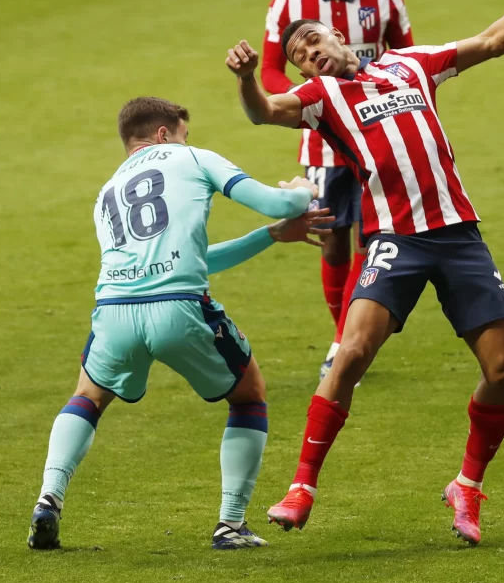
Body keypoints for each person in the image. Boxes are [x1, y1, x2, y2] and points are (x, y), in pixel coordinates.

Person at [226, 0, 504, 544]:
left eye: (315, 41)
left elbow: (492, 43)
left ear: (338, 37)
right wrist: (249, 79)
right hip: (395, 241)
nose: (311, 55)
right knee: (350, 354)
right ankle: (301, 487)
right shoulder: (321, 99)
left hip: (458, 234)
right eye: (300, 55)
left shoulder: (411, 63)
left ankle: (467, 487)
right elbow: (262, 112)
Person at [27, 96, 331, 551]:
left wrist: (269, 237)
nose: (188, 140)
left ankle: (48, 499)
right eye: (184, 133)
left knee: (88, 396)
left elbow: (196, 259)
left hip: (114, 310)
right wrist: (304, 190)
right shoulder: (192, 158)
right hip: (179, 307)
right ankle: (230, 524)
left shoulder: (106, 191)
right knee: (249, 395)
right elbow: (278, 202)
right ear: (165, 133)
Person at [262, 0, 414, 379]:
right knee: (331, 242)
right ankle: (339, 334)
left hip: (375, 137)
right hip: (323, 143)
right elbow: (270, 69)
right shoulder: (288, 0)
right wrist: (308, 103)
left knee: (374, 241)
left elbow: (406, 56)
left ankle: (349, 339)